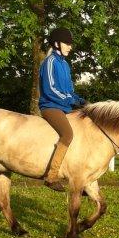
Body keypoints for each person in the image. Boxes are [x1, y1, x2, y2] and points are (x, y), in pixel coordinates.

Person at [38, 26, 85, 191]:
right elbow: (50, 89)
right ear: (57, 44)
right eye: (67, 43)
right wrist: (69, 100)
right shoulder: (49, 62)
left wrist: (80, 101)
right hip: (50, 106)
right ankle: (51, 176)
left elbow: (69, 91)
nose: (70, 47)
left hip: (64, 106)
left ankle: (80, 173)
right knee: (68, 134)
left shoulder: (65, 64)